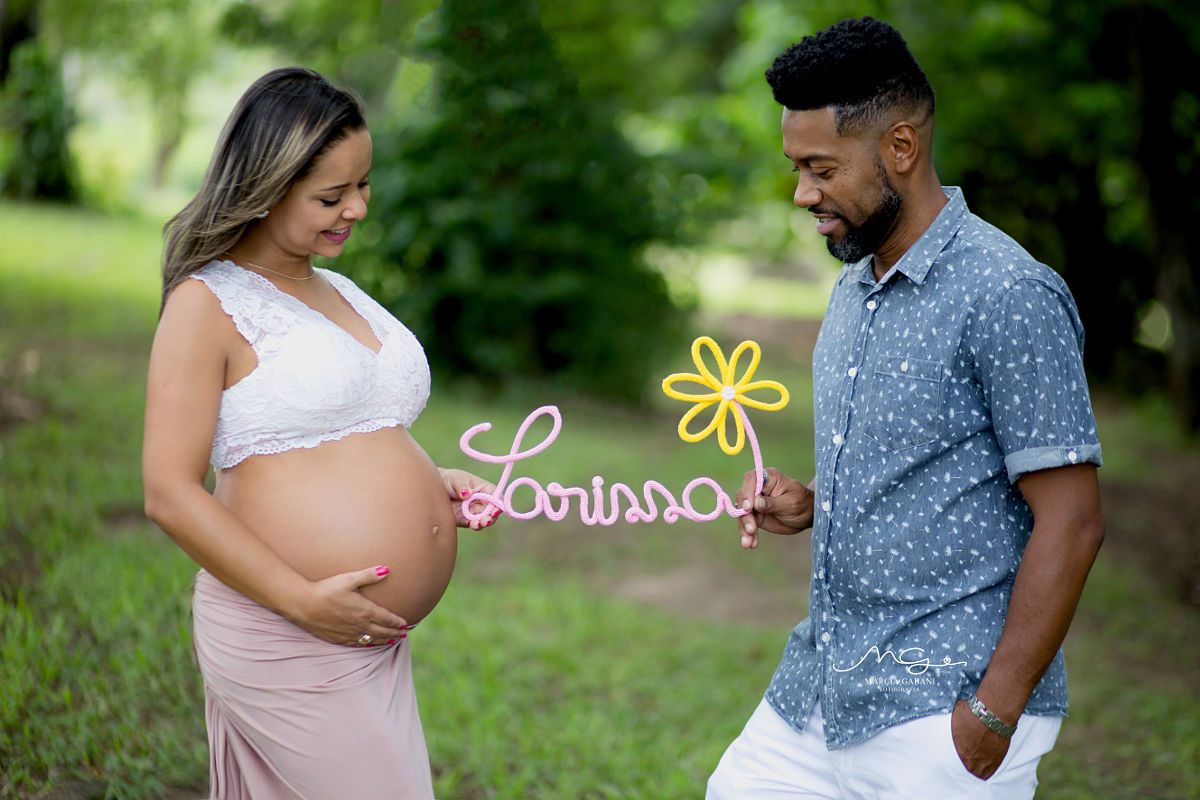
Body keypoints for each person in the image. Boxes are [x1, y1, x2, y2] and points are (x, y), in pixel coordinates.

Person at [706, 17, 1105, 800]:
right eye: (796, 167)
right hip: (821, 689)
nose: (803, 194)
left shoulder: (1008, 293)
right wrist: (811, 503)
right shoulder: (854, 285)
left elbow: (1074, 522)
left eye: (821, 169)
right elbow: (919, 475)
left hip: (943, 707)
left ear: (900, 147)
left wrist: (991, 714)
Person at [142, 67, 499, 799]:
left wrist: (431, 487)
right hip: (284, 629)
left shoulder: (338, 290)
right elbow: (169, 493)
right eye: (332, 196)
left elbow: (341, 438)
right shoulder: (206, 303)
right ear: (266, 188)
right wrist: (303, 601)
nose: (358, 208)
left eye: (363, 185)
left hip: (366, 639)